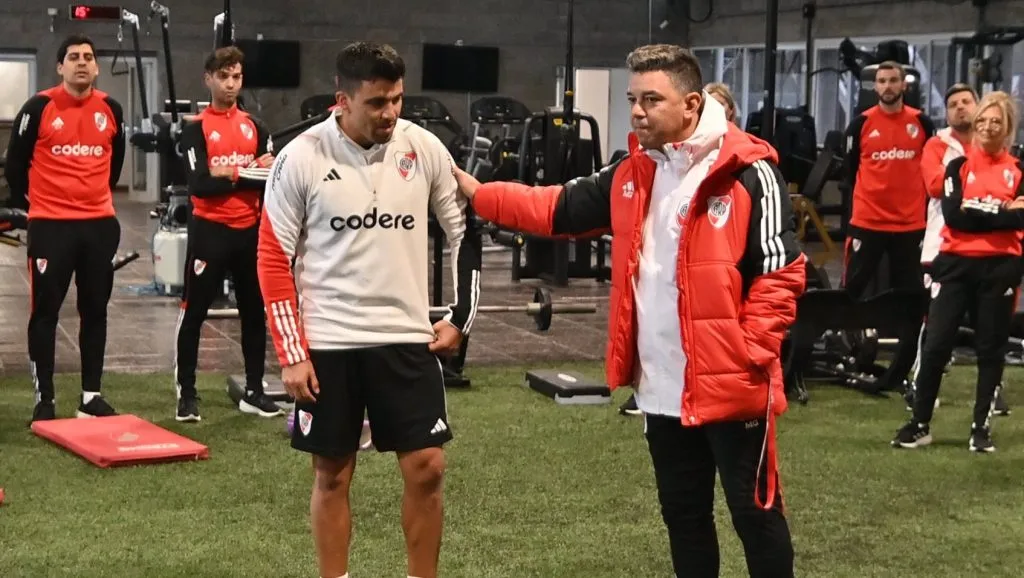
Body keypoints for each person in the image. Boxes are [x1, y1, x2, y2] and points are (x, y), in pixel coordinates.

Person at [454, 44, 804, 578]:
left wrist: (749, 351)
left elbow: (781, 275)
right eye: (632, 98)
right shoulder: (632, 173)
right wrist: (478, 193)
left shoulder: (749, 173)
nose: (637, 111)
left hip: (734, 384)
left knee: (755, 517)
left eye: (651, 100)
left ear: (691, 104)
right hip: (661, 387)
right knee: (684, 517)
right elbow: (554, 207)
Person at [256, 42, 482, 578]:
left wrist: (460, 318)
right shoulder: (302, 157)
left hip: (405, 338)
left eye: (397, 100)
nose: (390, 113)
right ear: (343, 100)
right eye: (377, 102)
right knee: (332, 474)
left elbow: (464, 229)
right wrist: (291, 353)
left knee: (428, 468)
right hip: (329, 342)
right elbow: (271, 257)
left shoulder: (422, 147)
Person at [893, 91, 1024, 453]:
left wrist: (979, 211)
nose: (987, 127)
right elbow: (953, 215)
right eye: (982, 120)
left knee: (990, 349)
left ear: (1007, 127)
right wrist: (1000, 213)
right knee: (936, 344)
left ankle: (980, 428)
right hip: (953, 264)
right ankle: (920, 424)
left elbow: (1020, 218)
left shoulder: (1019, 170)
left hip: (1001, 269)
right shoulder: (957, 167)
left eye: (995, 122)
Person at [4, 34, 125, 422]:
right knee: (46, 312)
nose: (82, 63)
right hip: (51, 228)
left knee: (95, 311)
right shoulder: (38, 107)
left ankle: (91, 395)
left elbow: (115, 162)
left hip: (98, 226)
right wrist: (37, 205)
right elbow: (14, 167)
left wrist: (93, 201)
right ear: (60, 66)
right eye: (73, 57)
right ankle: (46, 399)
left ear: (96, 66)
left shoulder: (111, 109)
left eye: (89, 57)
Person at [174, 46, 281, 422]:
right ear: (209, 79)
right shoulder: (195, 128)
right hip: (209, 232)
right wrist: (242, 173)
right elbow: (200, 184)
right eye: (224, 76)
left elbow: (270, 181)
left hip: (249, 232)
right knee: (195, 313)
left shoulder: (256, 126)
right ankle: (187, 394)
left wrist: (232, 175)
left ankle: (254, 390)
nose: (231, 83)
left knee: (254, 313)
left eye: (236, 76)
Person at [841, 61, 935, 389]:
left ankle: (914, 355)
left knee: (912, 294)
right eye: (882, 81)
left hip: (910, 225)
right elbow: (850, 174)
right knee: (852, 289)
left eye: (894, 80)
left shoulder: (922, 123)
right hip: (868, 222)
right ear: (875, 86)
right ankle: (847, 347)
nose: (888, 86)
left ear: (903, 84)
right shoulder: (860, 125)